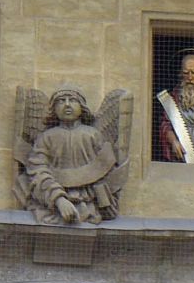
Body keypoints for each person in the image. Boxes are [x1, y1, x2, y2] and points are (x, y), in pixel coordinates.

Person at [18, 85, 120, 225]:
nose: (66, 104)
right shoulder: (46, 137)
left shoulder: (93, 135)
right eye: (60, 101)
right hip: (53, 202)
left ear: (81, 106)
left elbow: (106, 170)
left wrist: (103, 199)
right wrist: (59, 200)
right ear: (54, 108)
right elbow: (37, 172)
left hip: (89, 203)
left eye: (72, 100)